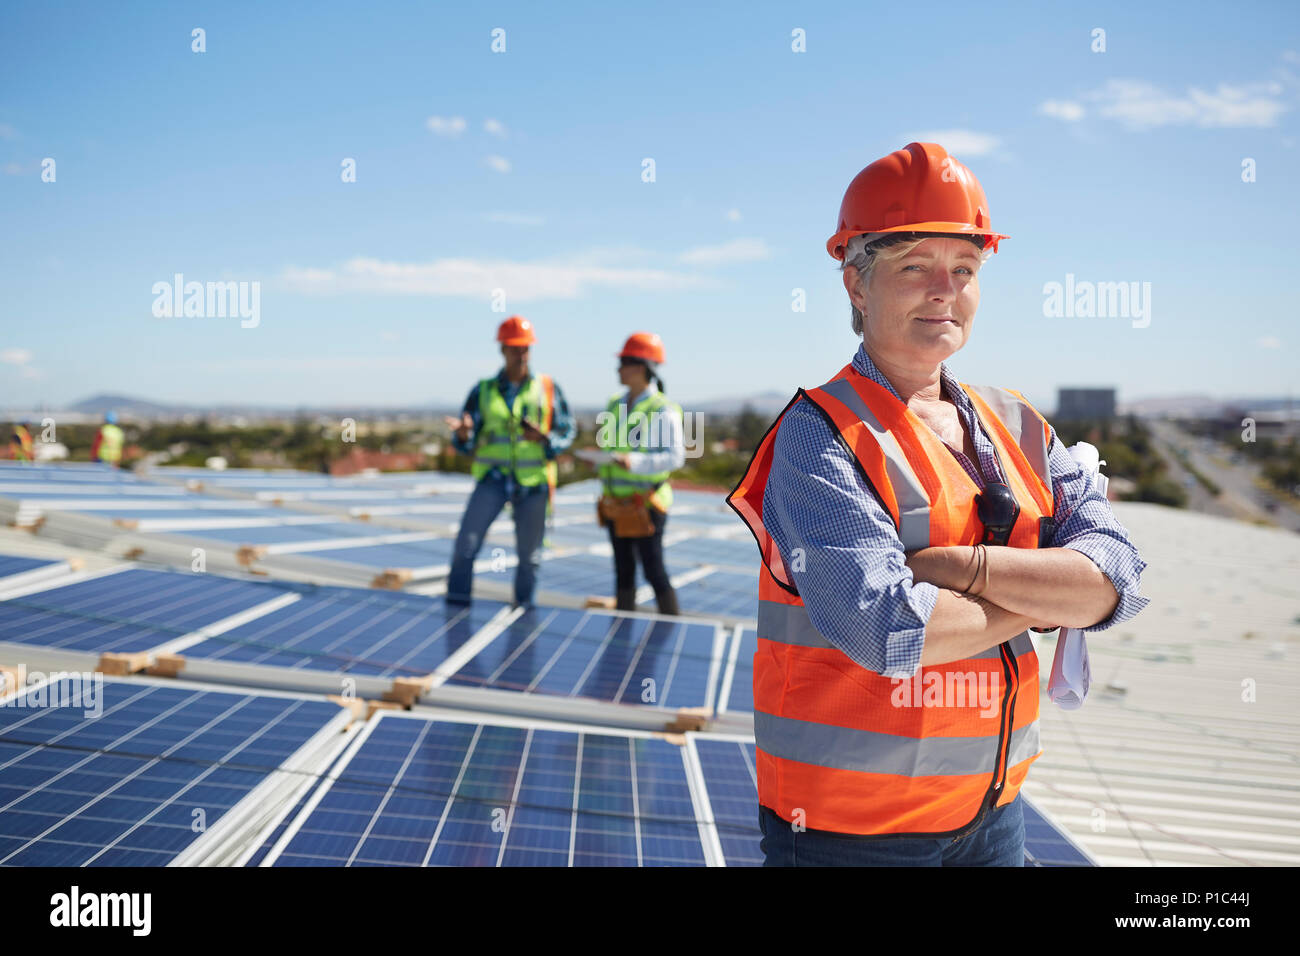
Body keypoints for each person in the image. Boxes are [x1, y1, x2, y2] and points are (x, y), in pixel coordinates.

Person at [728, 142, 1150, 866]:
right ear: (856, 285)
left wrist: (961, 568)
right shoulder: (819, 436)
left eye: (964, 271)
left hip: (993, 813)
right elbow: (891, 632)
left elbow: (1121, 580)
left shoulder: (1017, 423)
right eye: (914, 267)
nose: (943, 292)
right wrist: (1055, 594)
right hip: (852, 834)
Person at [444, 316, 575, 608]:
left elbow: (567, 432)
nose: (521, 354)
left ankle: (523, 619)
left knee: (530, 559)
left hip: (533, 484)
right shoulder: (483, 390)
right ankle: (454, 613)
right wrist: (464, 435)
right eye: (515, 348)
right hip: (492, 479)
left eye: (525, 348)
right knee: (466, 547)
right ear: (502, 349)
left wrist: (545, 439)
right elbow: (466, 440)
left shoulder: (548, 388)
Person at [596, 333, 685, 615]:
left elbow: (675, 457)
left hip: (645, 504)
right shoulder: (614, 404)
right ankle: (624, 627)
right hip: (616, 504)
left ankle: (672, 623)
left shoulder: (662, 409)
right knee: (622, 571)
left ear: (640, 367)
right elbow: (611, 446)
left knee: (653, 570)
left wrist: (632, 463)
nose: (618, 369)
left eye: (623, 362)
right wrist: (599, 461)